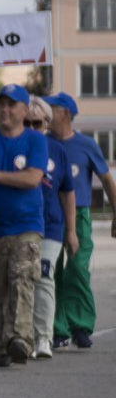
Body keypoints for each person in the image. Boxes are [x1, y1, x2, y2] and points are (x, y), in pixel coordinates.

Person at [0, 85, 47, 366]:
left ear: (25, 110)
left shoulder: (35, 141)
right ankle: (3, 344)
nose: (5, 109)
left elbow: (32, 178)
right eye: (1, 103)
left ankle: (20, 338)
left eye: (12, 104)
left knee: (21, 280)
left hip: (27, 224)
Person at [47, 92, 115, 350]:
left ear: (65, 113)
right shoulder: (44, 142)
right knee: (52, 272)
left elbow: (107, 180)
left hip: (82, 214)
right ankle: (57, 328)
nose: (46, 113)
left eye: (51, 108)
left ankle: (80, 325)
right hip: (53, 214)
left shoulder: (86, 144)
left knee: (76, 270)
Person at [28, 97, 70, 359]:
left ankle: (44, 337)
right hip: (20, 224)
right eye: (26, 123)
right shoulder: (13, 146)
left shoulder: (57, 150)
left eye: (36, 123)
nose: (32, 127)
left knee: (44, 277)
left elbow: (68, 193)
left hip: (51, 225)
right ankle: (24, 335)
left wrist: (73, 231)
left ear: (46, 123)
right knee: (22, 281)